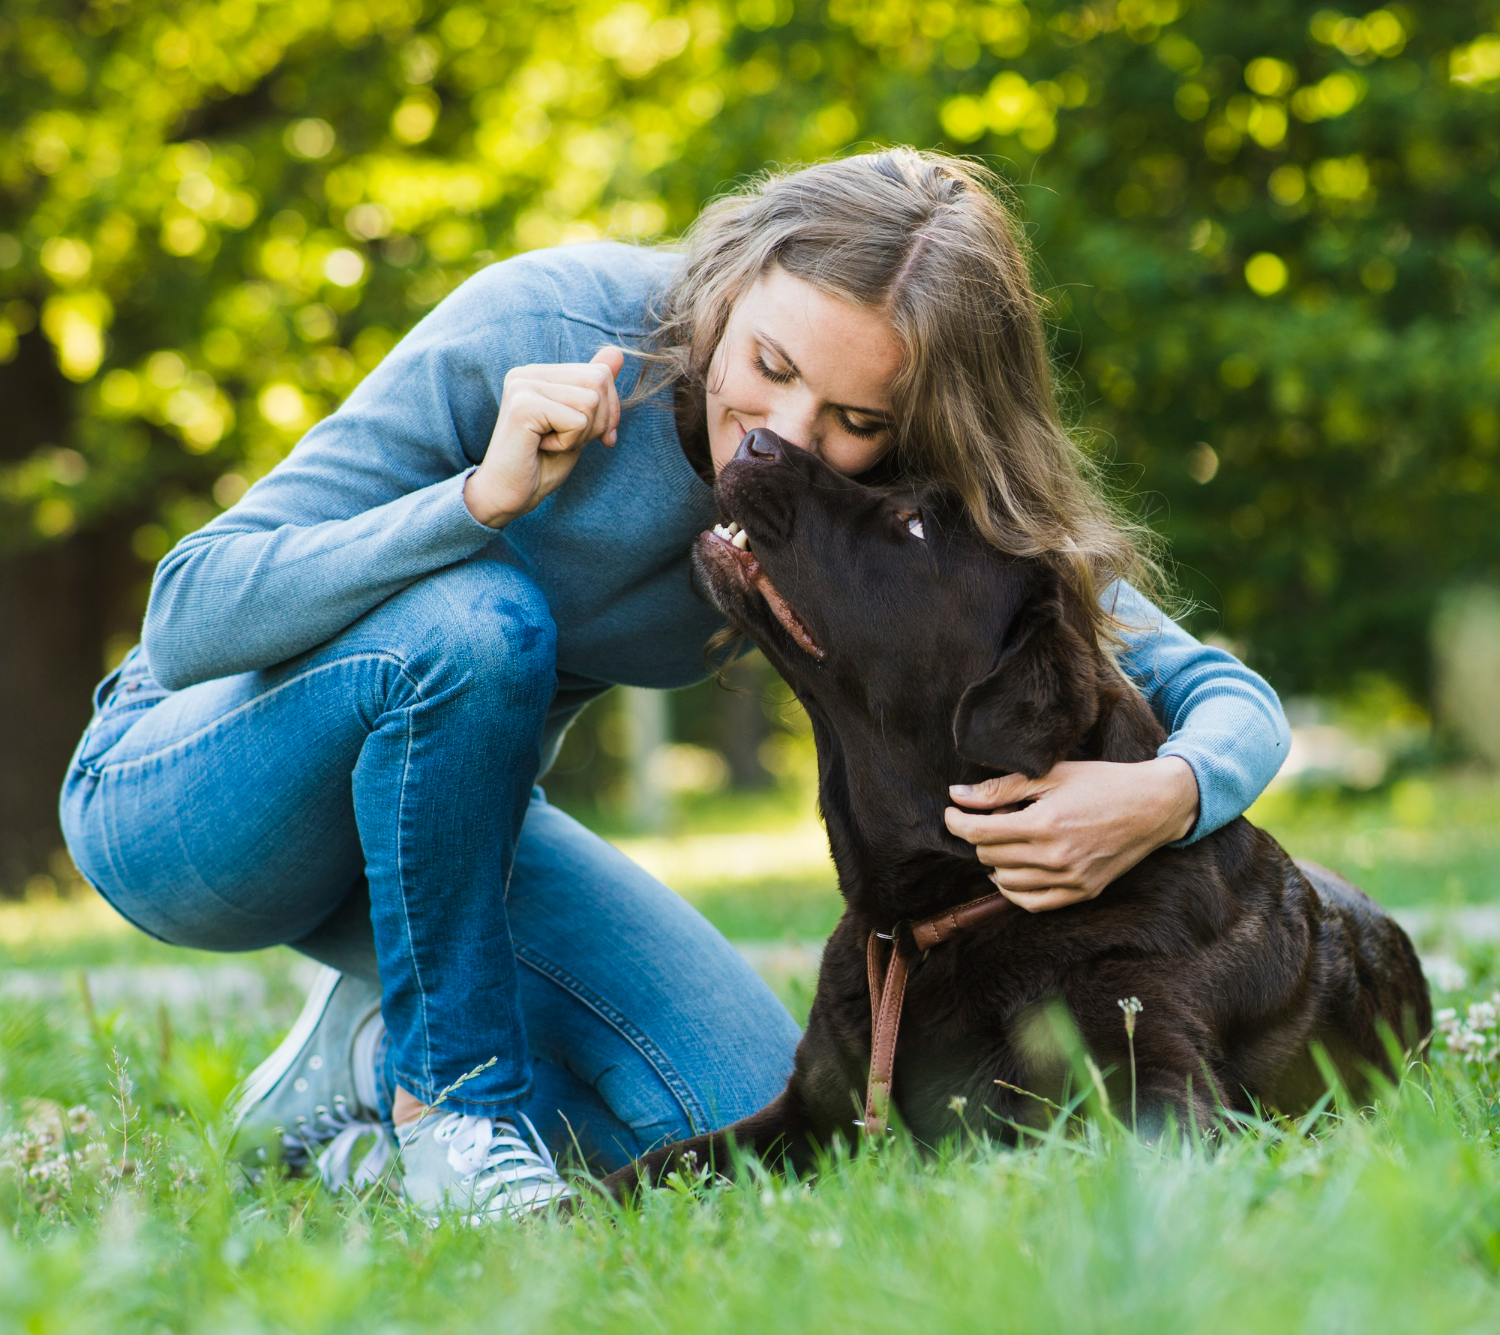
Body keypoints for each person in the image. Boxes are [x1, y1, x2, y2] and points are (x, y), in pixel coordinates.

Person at [59, 149, 1288, 1219]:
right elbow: (192, 610)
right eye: (768, 362)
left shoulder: (875, 498)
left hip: (449, 828)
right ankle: (452, 1111)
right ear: (731, 269)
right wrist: (472, 503)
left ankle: (360, 1079)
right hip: (184, 798)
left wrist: (1169, 796)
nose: (787, 440)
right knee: (477, 618)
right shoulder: (542, 325)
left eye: (854, 417)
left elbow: (1216, 690)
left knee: (746, 1115)